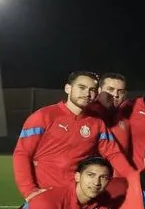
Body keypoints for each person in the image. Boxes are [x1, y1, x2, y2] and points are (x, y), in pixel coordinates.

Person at [13, 70, 134, 201]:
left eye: (92, 90)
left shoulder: (96, 123)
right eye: (82, 87)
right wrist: (30, 191)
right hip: (46, 196)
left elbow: (113, 154)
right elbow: (22, 154)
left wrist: (135, 179)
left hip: (79, 197)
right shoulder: (43, 116)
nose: (87, 93)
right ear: (68, 88)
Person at [89, 72, 131, 154]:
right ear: (99, 90)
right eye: (110, 89)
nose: (115, 95)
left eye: (120, 91)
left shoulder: (126, 116)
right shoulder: (87, 114)